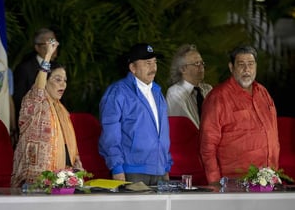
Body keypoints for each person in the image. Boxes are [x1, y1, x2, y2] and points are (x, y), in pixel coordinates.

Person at [200, 45, 279, 184]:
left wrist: (273, 174)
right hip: (234, 183)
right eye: (241, 64)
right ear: (231, 67)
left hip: (267, 179)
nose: (246, 70)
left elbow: (273, 135)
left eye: (250, 64)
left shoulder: (263, 93)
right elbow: (207, 146)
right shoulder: (218, 97)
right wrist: (214, 182)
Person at [98, 43, 172, 186]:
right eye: (147, 63)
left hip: (159, 170)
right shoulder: (118, 92)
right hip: (131, 170)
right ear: (132, 68)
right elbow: (110, 134)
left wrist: (166, 166)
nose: (153, 68)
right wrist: (117, 168)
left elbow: (163, 133)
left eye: (155, 62)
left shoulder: (157, 93)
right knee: (134, 209)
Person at [11, 39, 82, 187]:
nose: (63, 84)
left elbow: (69, 147)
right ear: (45, 81)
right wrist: (48, 54)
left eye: (65, 80)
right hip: (35, 181)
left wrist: (78, 172)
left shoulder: (62, 110)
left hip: (62, 180)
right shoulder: (35, 100)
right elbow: (39, 86)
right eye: (57, 79)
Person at [12, 28, 58, 124]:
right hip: (32, 123)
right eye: (50, 44)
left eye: (55, 43)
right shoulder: (24, 69)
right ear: (37, 47)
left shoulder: (58, 68)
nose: (53, 47)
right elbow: (19, 100)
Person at [166, 44, 212, 128]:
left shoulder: (208, 89)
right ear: (183, 69)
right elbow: (187, 127)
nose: (201, 67)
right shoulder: (175, 93)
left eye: (202, 63)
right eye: (197, 63)